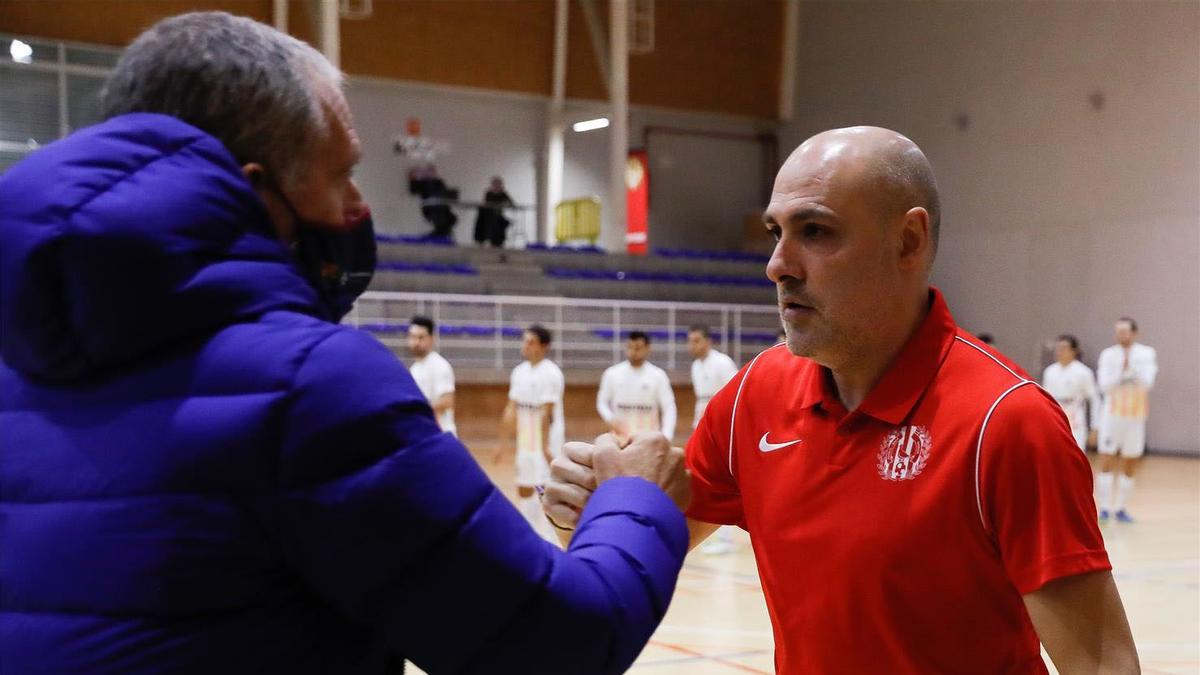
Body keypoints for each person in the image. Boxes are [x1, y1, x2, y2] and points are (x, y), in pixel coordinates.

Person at [0, 13, 694, 674]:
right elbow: (555, 642)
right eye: (339, 174)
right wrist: (636, 499)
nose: (359, 207)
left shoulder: (18, 366)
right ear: (253, 194)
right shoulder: (308, 385)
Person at [546, 126, 1139, 673]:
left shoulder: (1007, 422)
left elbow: (1102, 662)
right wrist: (594, 507)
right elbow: (652, 540)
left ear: (908, 241)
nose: (778, 265)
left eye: (816, 231)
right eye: (778, 233)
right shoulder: (755, 395)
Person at [496, 325, 567, 540]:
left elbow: (547, 412)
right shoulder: (519, 372)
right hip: (525, 440)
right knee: (525, 486)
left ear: (544, 346)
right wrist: (502, 443)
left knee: (545, 489)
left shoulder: (551, 373)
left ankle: (550, 538)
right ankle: (529, 534)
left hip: (546, 442)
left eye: (531, 342)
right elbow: (511, 409)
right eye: (524, 341)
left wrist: (545, 447)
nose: (525, 346)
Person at [1096, 317, 1158, 523]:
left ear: (1134, 333)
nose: (1121, 335)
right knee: (1106, 457)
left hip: (1135, 415)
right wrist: (1122, 375)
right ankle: (1104, 507)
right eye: (1118, 332)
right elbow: (1104, 385)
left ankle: (1121, 507)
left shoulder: (1146, 353)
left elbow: (1147, 383)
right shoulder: (1108, 355)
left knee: (1130, 459)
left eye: (1125, 331)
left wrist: (1132, 371)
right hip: (1112, 414)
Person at [686, 325, 739, 554]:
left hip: (723, 429)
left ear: (708, 341)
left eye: (696, 340)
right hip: (703, 424)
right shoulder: (696, 366)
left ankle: (726, 538)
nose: (692, 345)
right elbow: (702, 400)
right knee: (702, 479)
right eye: (690, 341)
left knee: (724, 481)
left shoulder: (723, 363)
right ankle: (710, 532)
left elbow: (734, 394)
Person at [597, 331, 677, 443]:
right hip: (620, 439)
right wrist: (610, 419)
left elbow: (669, 407)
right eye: (630, 347)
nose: (633, 352)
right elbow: (602, 402)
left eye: (638, 348)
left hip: (649, 441)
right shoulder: (612, 373)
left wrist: (666, 436)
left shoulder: (658, 375)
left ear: (648, 349)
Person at [1041, 334, 1100, 451]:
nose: (1059, 352)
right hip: (1054, 420)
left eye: (1063, 348)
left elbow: (1094, 399)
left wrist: (1095, 428)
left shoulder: (1083, 372)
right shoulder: (1050, 372)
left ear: (1074, 351)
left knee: (1075, 455)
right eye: (1057, 348)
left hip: (1076, 420)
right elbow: (1044, 400)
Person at [407, 315, 456, 436]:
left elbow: (447, 401)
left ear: (431, 338)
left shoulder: (439, 365)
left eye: (421, 337)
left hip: (440, 434)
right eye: (412, 337)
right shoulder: (414, 369)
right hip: (422, 434)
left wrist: (417, 411)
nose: (416, 342)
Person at [407, 163, 458, 239]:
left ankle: (442, 234)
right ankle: (442, 234)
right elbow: (414, 189)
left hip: (440, 211)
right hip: (436, 210)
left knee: (443, 226)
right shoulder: (427, 184)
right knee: (443, 226)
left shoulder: (438, 184)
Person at [473, 176, 515, 247]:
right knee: (481, 216)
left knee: (496, 221)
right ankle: (480, 239)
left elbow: (511, 203)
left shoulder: (503, 194)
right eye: (494, 184)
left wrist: (503, 204)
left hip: (497, 215)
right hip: (488, 215)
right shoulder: (489, 193)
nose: (496, 186)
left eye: (497, 184)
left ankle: (495, 241)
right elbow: (485, 203)